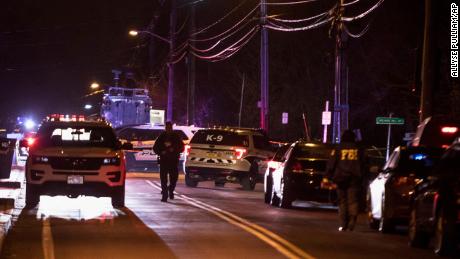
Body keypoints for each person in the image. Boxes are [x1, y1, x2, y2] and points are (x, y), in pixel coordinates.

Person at [326, 130, 365, 231]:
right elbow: (364, 163)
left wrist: (328, 176)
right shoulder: (359, 149)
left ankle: (343, 224)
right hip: (355, 178)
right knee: (353, 201)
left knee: (342, 201)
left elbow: (332, 163)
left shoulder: (338, 148)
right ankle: (352, 221)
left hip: (341, 178)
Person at [153, 122, 184, 202]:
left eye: (170, 127)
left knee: (174, 178)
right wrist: (161, 152)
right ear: (165, 128)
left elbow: (182, 148)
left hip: (173, 161)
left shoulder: (176, 137)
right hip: (164, 160)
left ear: (172, 128)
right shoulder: (161, 137)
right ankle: (165, 195)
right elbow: (155, 148)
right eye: (167, 127)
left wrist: (174, 149)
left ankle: (170, 190)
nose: (168, 129)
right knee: (163, 179)